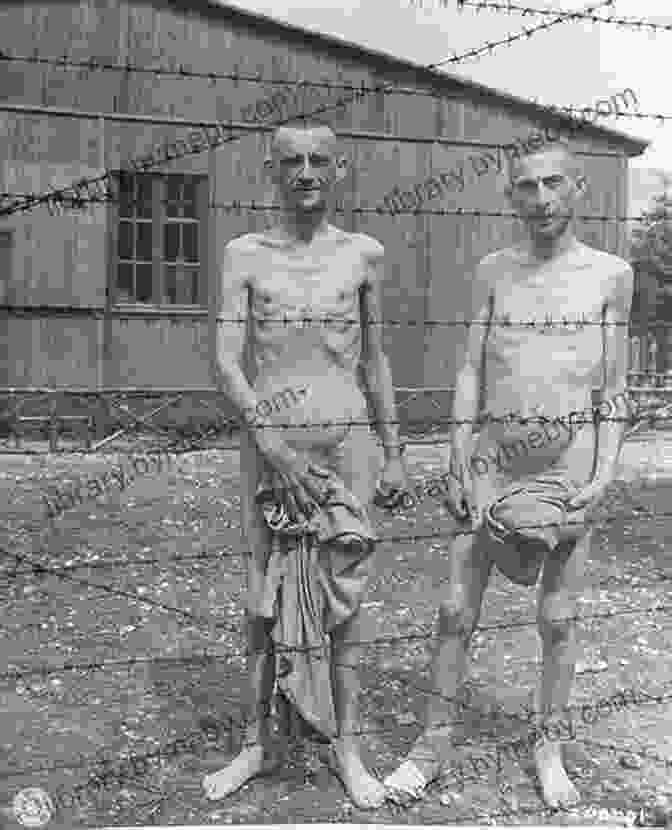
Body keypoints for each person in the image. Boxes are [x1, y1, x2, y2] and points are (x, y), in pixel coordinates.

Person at [384, 136, 633, 809]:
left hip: (567, 465)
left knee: (557, 617)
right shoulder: (493, 269)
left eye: (554, 183)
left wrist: (606, 468)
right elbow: (470, 368)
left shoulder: (611, 274)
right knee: (452, 611)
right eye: (527, 186)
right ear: (510, 196)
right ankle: (432, 745)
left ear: (579, 188)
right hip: (493, 459)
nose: (542, 199)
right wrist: (457, 455)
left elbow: (613, 386)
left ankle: (547, 746)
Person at [202, 120, 407, 809]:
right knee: (261, 600)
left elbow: (376, 358)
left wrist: (396, 451)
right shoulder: (245, 255)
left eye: (320, 160)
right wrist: (274, 444)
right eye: (292, 161)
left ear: (339, 168)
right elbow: (228, 359)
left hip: (348, 446)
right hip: (270, 447)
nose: (306, 172)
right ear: (273, 170)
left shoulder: (364, 255)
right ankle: (254, 745)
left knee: (346, 599)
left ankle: (347, 747)